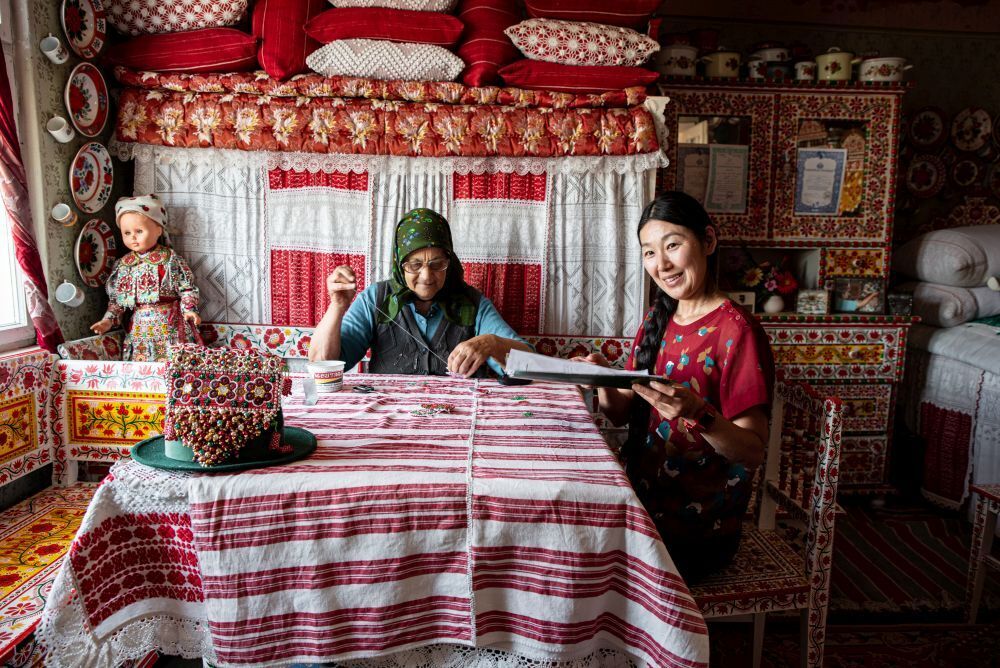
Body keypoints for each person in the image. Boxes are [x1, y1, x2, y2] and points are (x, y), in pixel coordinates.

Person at [576, 191, 774, 583]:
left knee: (587, 567)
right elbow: (622, 411)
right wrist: (602, 380)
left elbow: (752, 450)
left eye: (672, 245)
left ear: (708, 241)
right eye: (649, 252)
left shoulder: (738, 332)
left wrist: (698, 413)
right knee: (567, 537)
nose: (661, 264)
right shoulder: (659, 317)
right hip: (645, 507)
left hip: (698, 529)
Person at [309, 208, 531, 377]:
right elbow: (321, 365)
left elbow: (531, 367)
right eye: (414, 265)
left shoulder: (472, 303)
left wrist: (493, 343)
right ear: (399, 264)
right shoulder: (376, 299)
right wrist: (337, 306)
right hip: (389, 417)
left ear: (450, 261)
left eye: (437, 264)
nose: (426, 276)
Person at [90, 194, 201, 362]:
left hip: (170, 324)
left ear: (158, 229)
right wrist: (107, 320)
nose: (133, 237)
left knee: (173, 361)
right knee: (142, 362)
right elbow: (118, 301)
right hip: (139, 328)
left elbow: (186, 288)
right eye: (127, 233)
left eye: (139, 231)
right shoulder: (124, 265)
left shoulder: (169, 260)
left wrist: (189, 309)